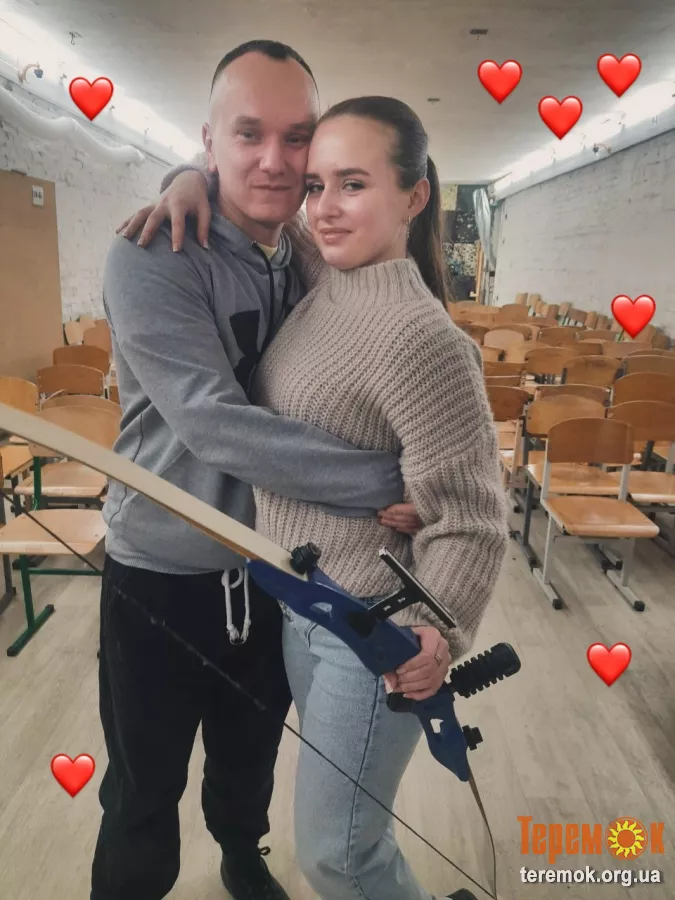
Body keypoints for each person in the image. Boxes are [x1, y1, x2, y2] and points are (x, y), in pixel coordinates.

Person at [121, 84, 508, 900]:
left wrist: (435, 628)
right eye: (317, 184)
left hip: (367, 625)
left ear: (415, 195)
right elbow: (250, 195)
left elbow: (471, 517)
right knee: (329, 834)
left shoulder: (423, 340)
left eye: (353, 184)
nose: (324, 208)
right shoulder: (323, 272)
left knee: (338, 855)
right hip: (295, 604)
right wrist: (185, 177)